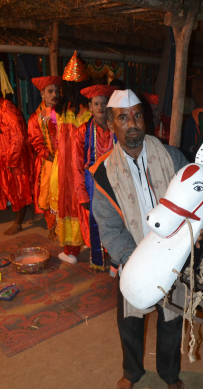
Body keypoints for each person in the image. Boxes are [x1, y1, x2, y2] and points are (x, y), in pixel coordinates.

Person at [92, 89, 203, 389]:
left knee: (171, 320)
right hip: (133, 261)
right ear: (111, 125)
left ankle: (169, 372)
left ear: (147, 119)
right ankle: (132, 371)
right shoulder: (104, 173)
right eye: (123, 117)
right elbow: (109, 227)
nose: (133, 124)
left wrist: (199, 225)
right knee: (130, 321)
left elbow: (196, 198)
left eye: (138, 115)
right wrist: (138, 263)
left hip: (174, 257)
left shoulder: (171, 157)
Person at [50, 51, 91, 264]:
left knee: (68, 203)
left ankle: (71, 250)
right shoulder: (87, 112)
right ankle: (83, 241)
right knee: (82, 202)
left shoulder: (60, 110)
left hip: (64, 166)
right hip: (82, 166)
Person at [73, 85, 117, 269]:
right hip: (92, 185)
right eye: (96, 103)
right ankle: (99, 259)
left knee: (116, 220)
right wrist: (81, 193)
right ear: (89, 107)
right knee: (96, 220)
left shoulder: (116, 129)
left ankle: (117, 259)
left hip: (116, 183)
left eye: (103, 103)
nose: (100, 107)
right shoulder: (82, 131)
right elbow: (76, 164)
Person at [28, 76, 62, 240]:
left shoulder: (64, 112)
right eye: (50, 91)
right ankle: (52, 226)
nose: (54, 94)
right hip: (47, 162)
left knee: (65, 194)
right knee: (49, 194)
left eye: (56, 90)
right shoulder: (36, 117)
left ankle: (65, 226)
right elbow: (36, 143)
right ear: (42, 93)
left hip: (64, 161)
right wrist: (53, 158)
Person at [0, 94, 34, 235]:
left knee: (18, 191)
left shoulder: (6, 108)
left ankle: (18, 224)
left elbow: (18, 136)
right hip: (6, 156)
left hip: (15, 158)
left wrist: (12, 161)